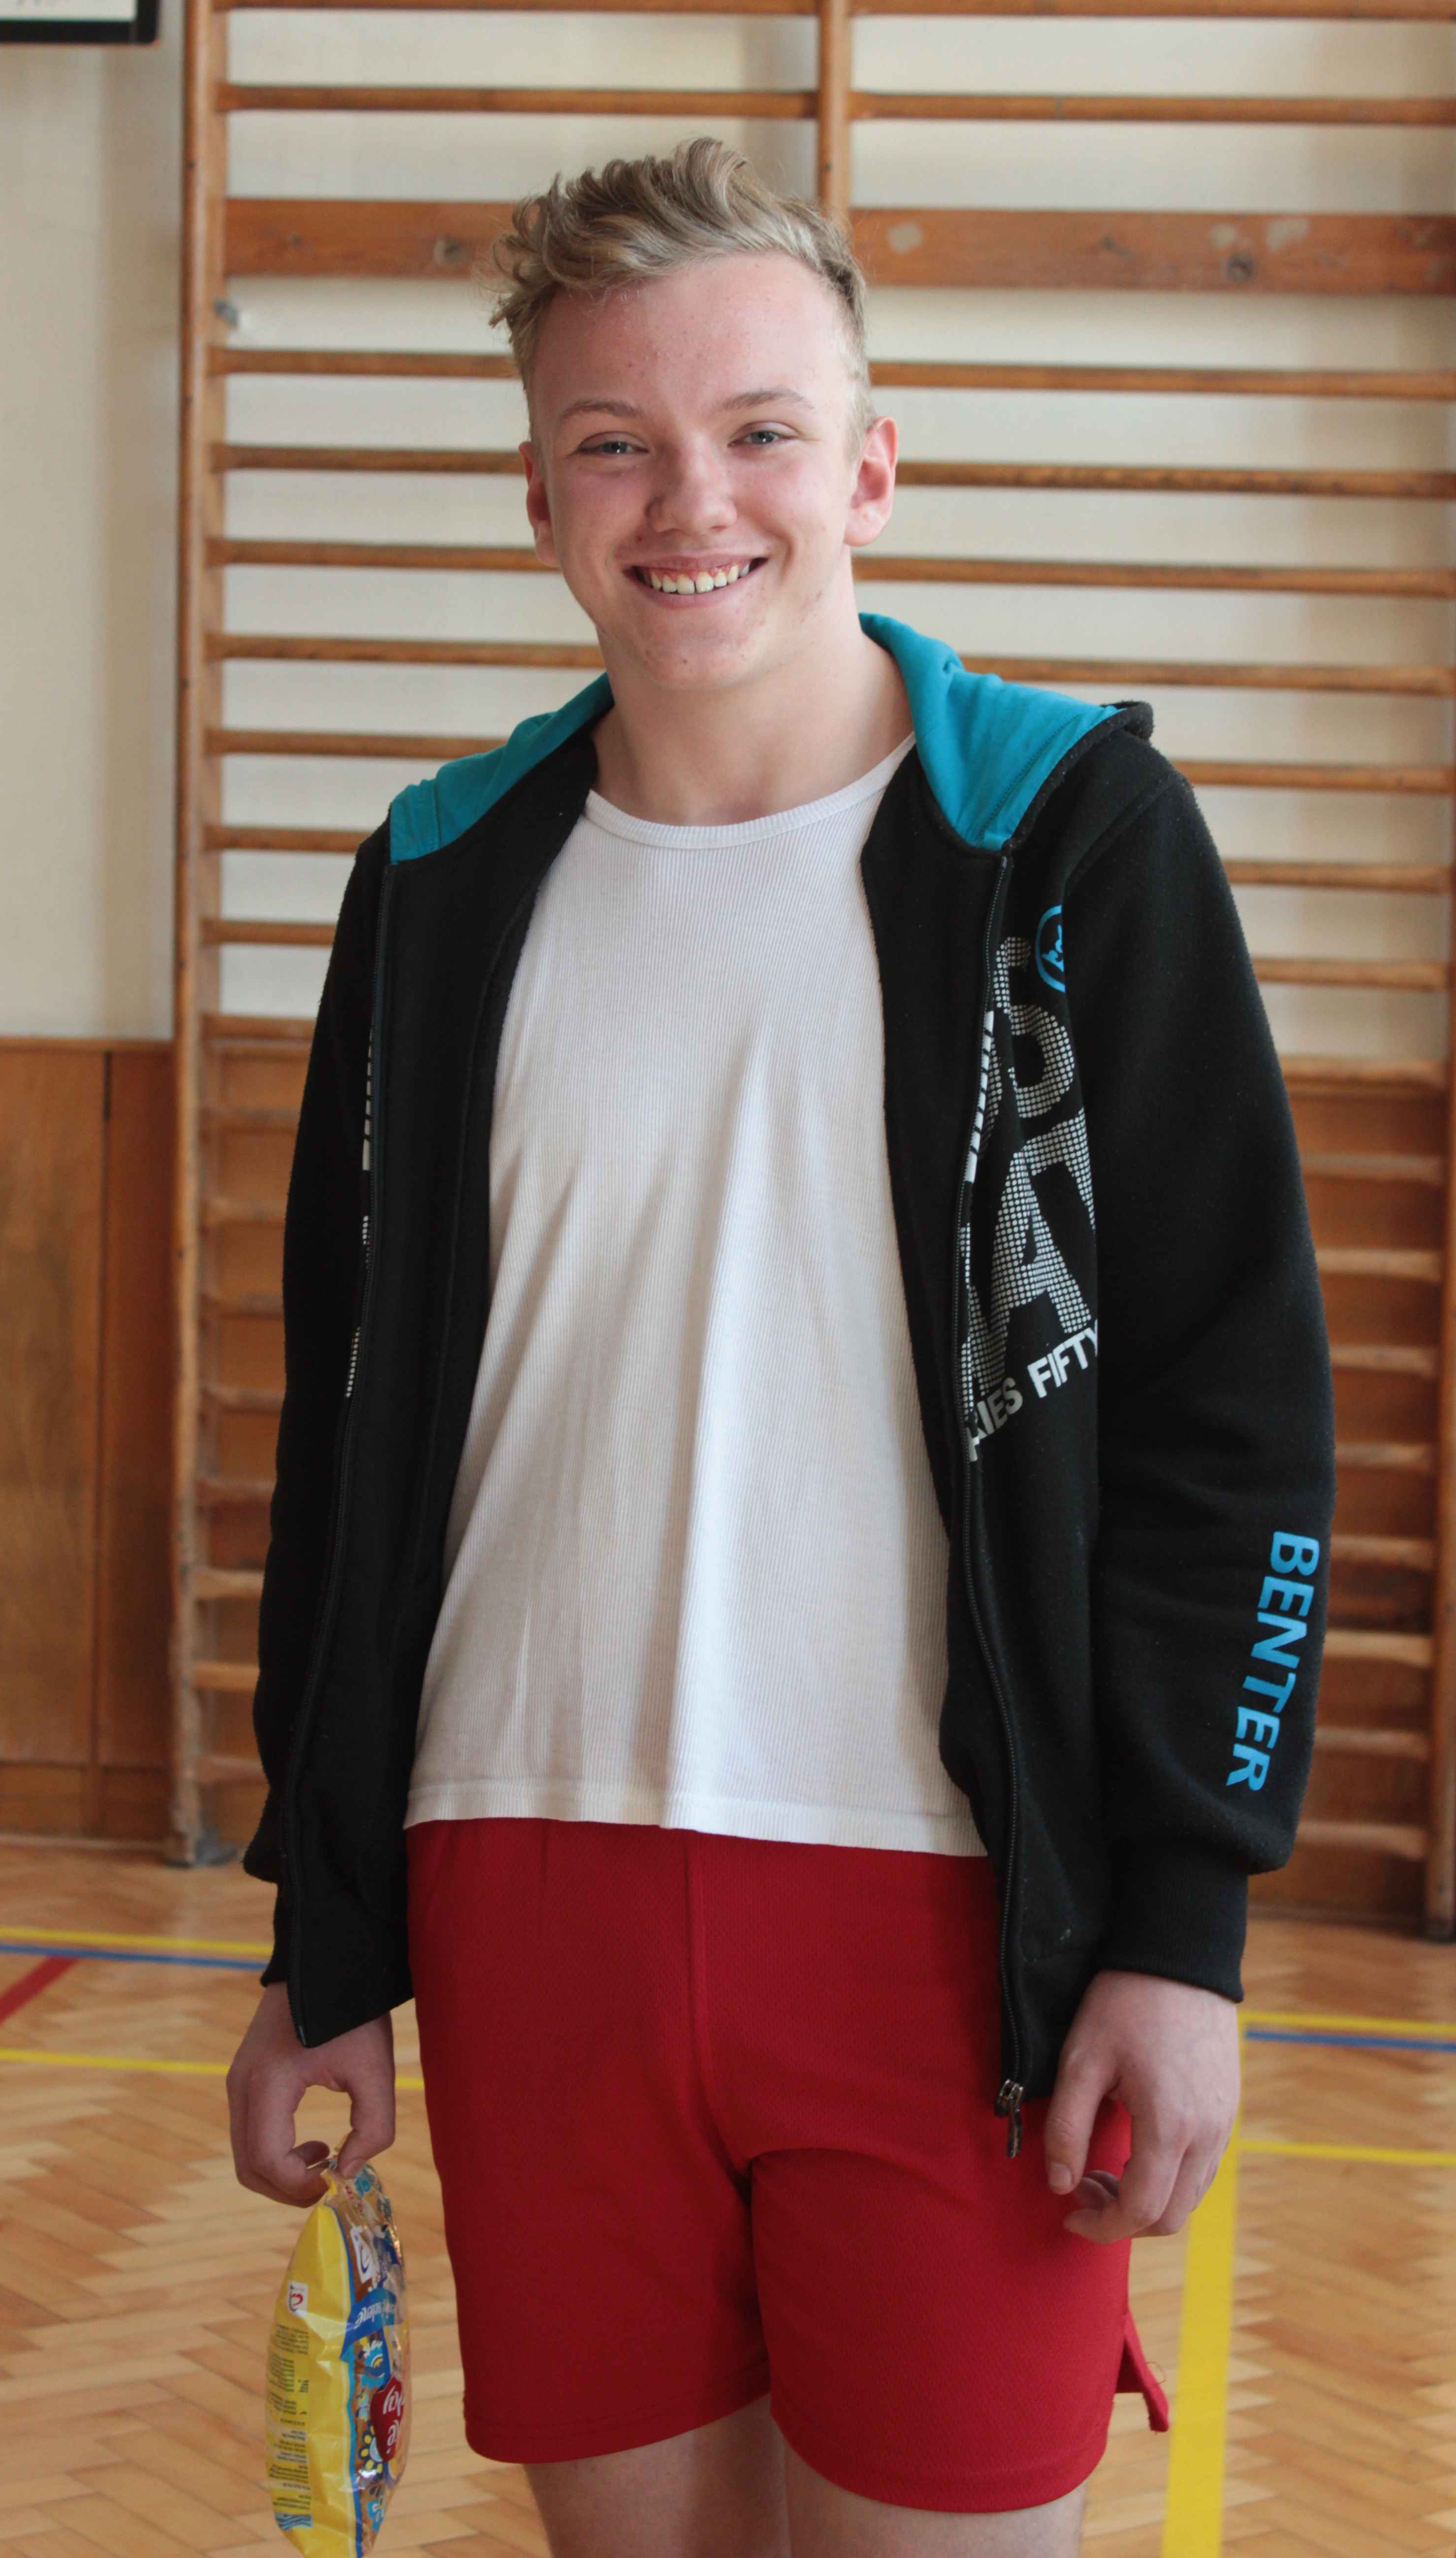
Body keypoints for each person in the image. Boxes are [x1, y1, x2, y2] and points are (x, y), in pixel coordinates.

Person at [225, 138, 1335, 2557]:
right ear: (539, 498)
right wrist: (327, 1927)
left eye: (756, 430)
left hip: (952, 1918)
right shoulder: (434, 882)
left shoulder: (1069, 841)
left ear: (871, 468)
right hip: (526, 1889)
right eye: (614, 442)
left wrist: (1185, 1921)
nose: (691, 500)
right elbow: (347, 1432)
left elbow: (1234, 1420)